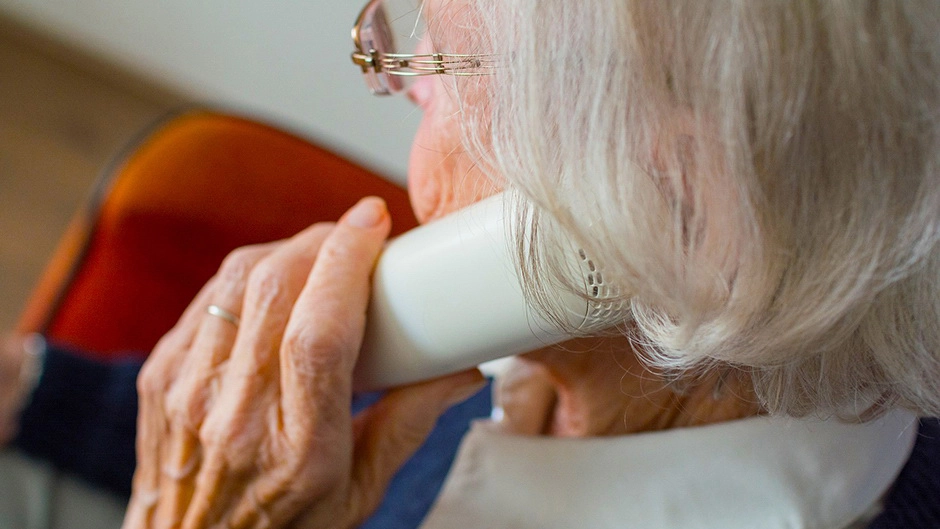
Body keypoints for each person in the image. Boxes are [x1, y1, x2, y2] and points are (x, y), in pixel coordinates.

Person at [11, 0, 940, 527]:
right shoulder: (552, 343)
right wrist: (37, 389)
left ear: (674, 212)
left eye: (439, 58)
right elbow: (287, 441)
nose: (395, 78)